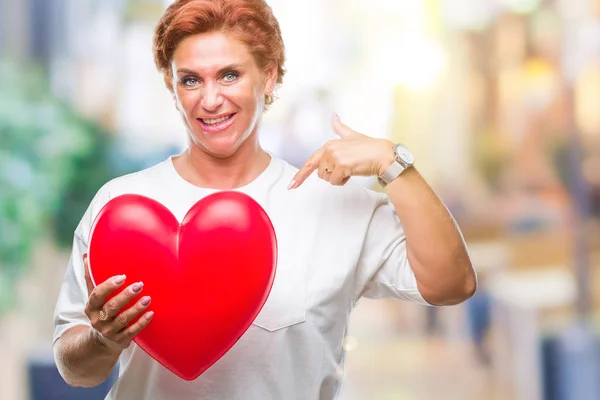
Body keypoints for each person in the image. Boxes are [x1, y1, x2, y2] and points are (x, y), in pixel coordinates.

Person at [52, 0, 477, 398]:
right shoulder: (121, 207)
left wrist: (394, 163)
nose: (210, 99)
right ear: (171, 83)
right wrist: (102, 338)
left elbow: (452, 284)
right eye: (190, 80)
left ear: (269, 75)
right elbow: (77, 371)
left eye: (230, 75)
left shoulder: (331, 204)